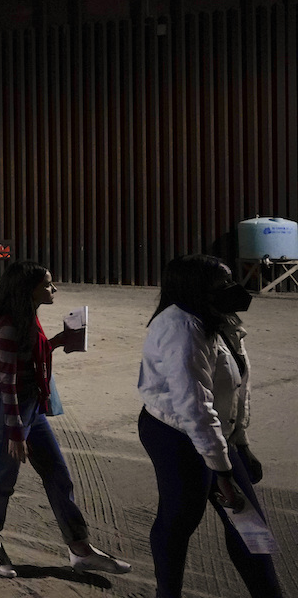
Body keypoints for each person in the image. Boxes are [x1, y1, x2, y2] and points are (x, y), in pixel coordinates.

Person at [0, 261, 130, 578]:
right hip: (10, 411)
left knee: (58, 474)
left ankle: (80, 548)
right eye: (47, 284)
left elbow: (30, 353)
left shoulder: (27, 317)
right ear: (27, 290)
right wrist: (16, 434)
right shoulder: (9, 326)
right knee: (2, 477)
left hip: (29, 409)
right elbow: (7, 384)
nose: (53, 288)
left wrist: (58, 341)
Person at [138, 255, 280, 597]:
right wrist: (223, 471)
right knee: (180, 518)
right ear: (196, 288)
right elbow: (195, 405)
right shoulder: (181, 329)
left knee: (249, 524)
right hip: (176, 433)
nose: (233, 290)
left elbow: (234, 387)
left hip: (214, 433)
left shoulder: (220, 320)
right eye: (222, 284)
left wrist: (240, 443)